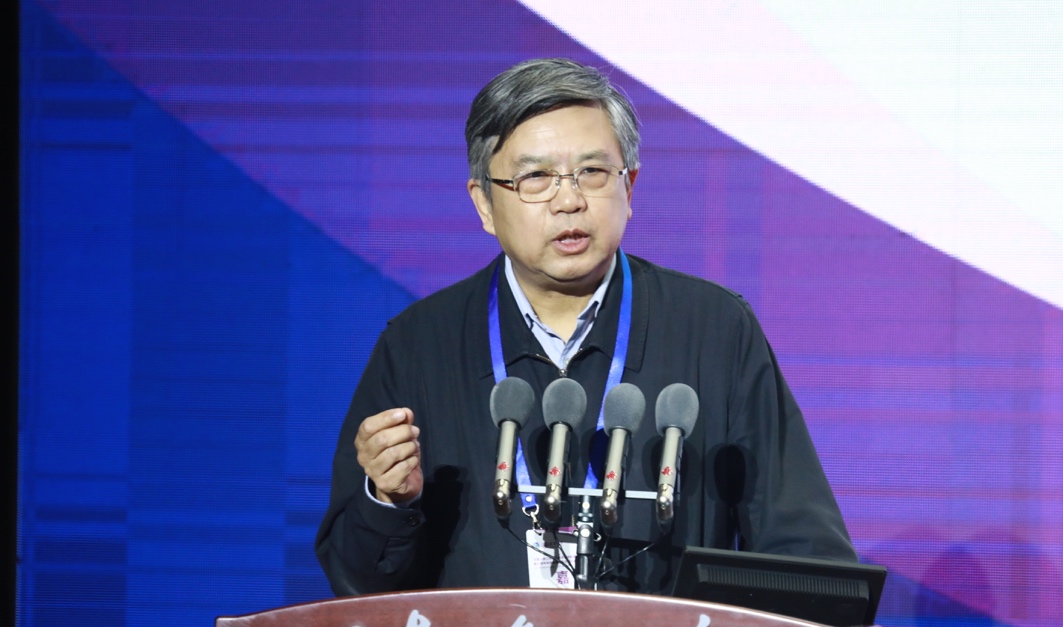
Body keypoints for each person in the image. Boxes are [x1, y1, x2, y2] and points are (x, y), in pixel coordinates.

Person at [316, 58, 855, 596]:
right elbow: (357, 588)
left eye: (592, 173)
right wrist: (389, 503)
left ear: (630, 186)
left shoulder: (715, 330)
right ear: (484, 203)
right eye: (536, 178)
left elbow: (803, 555)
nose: (569, 200)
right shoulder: (418, 345)